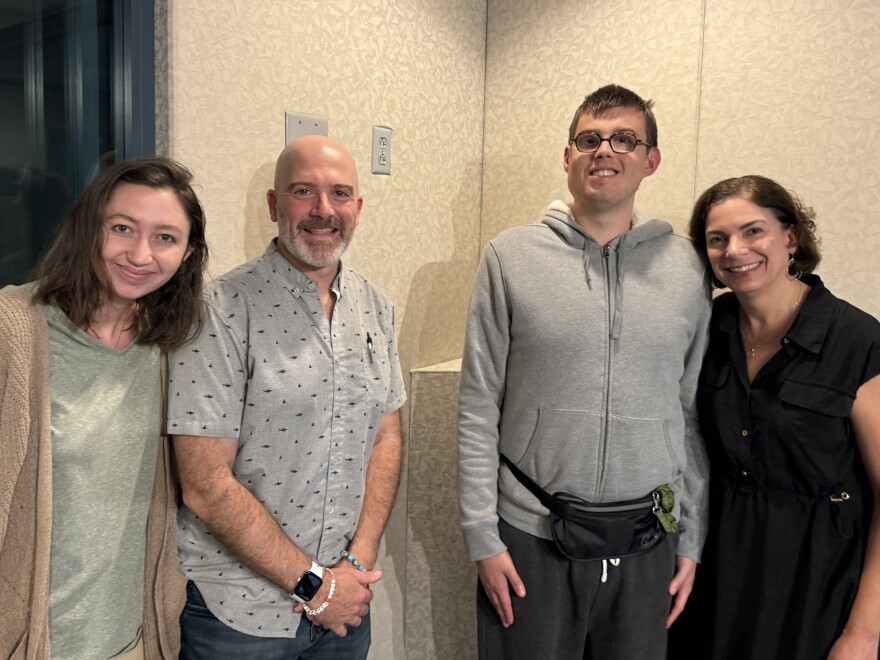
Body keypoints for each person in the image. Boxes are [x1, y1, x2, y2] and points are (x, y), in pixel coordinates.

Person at [457, 84, 712, 659]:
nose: (605, 150)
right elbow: (478, 406)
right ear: (568, 156)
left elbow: (689, 412)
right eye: (590, 139)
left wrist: (691, 538)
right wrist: (482, 538)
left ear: (651, 161)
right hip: (530, 538)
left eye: (625, 138)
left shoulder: (688, 267)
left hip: (648, 543)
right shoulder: (510, 257)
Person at [169, 135, 405, 659]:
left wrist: (358, 567)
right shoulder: (219, 311)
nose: (324, 211)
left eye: (340, 194)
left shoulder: (377, 309)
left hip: (345, 609)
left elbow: (386, 436)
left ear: (358, 209)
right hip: (237, 618)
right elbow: (205, 485)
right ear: (275, 205)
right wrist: (314, 587)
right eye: (304, 192)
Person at [0, 157, 208, 659]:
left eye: (165, 237)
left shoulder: (173, 348)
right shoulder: (14, 330)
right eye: (122, 228)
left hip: (134, 640)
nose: (140, 254)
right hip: (29, 642)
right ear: (88, 229)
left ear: (187, 253)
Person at [683, 175, 880, 659]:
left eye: (753, 231)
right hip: (717, 570)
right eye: (717, 239)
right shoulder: (704, 330)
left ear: (790, 236)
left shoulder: (856, 339)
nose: (735, 250)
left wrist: (863, 634)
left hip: (820, 580)